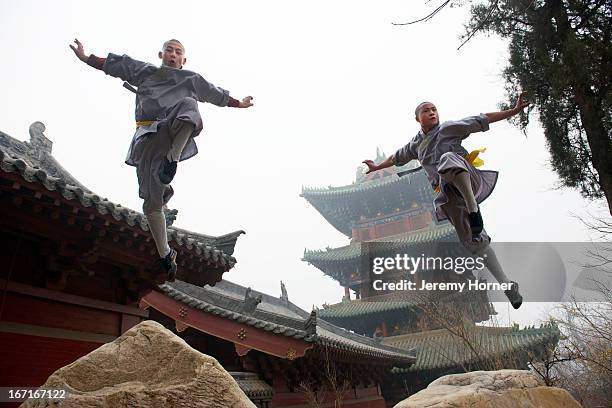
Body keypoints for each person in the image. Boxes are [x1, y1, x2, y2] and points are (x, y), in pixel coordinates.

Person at [70, 38, 254, 280]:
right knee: (151, 203)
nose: (173, 55)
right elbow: (119, 66)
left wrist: (237, 103)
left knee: (190, 104)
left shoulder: (190, 79)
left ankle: (173, 159)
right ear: (161, 54)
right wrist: (87, 59)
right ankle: (165, 253)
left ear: (183, 59)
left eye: (178, 52)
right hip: (148, 137)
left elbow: (212, 92)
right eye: (169, 51)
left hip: (173, 129)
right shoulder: (146, 72)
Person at [362, 95, 529, 308]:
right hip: (447, 193)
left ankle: (473, 207)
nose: (432, 112)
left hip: (466, 176)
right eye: (426, 110)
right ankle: (508, 286)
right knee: (475, 243)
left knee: (446, 159)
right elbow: (396, 158)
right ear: (417, 118)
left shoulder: (449, 128)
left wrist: (513, 111)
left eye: (434, 109)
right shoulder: (415, 144)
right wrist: (378, 167)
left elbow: (482, 119)